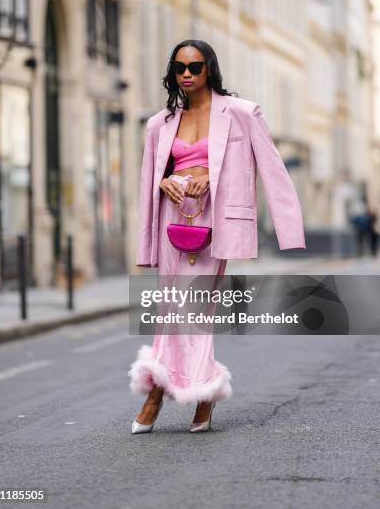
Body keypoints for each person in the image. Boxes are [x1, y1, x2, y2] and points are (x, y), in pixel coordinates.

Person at [128, 39, 306, 433]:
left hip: (214, 221)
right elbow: (148, 180)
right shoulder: (159, 123)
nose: (187, 74)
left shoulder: (242, 114)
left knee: (195, 309)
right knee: (171, 307)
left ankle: (158, 394)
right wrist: (164, 183)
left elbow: (272, 170)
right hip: (173, 221)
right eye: (180, 68)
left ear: (210, 68)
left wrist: (288, 230)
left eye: (195, 67)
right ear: (172, 73)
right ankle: (197, 393)